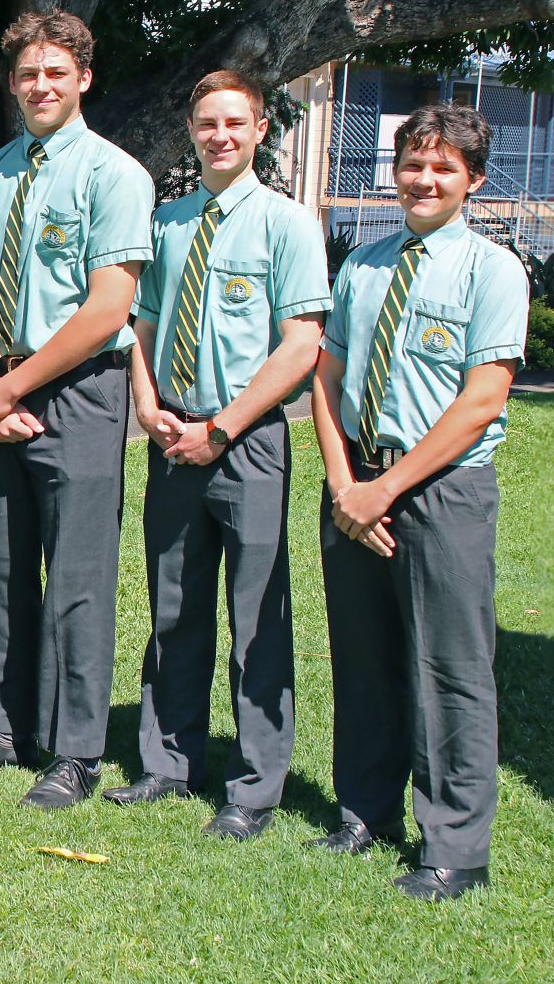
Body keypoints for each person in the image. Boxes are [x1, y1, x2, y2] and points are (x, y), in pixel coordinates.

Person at [309, 103, 528, 901]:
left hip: (440, 491)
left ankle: (454, 847)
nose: (424, 179)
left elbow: (482, 399)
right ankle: (364, 810)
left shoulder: (493, 271)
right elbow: (326, 379)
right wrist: (344, 486)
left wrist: (384, 491)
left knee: (449, 669)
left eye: (443, 168)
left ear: (471, 180)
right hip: (355, 486)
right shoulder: (363, 264)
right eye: (412, 163)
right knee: (363, 660)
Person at [110, 70, 329, 837]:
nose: (221, 136)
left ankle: (254, 786)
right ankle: (168, 760)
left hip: (247, 442)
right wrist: (147, 405)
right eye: (208, 123)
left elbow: (301, 344)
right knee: (173, 606)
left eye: (235, 123)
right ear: (194, 130)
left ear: (262, 129)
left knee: (256, 612)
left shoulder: (288, 225)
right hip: (173, 435)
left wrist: (223, 427)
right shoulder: (167, 223)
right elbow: (138, 323)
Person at [0, 9, 153, 810]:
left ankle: (75, 749)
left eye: (55, 73)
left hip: (78, 393)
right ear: (12, 83)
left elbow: (109, 307)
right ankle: (0, 725)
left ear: (84, 79)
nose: (40, 86)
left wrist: (18, 382)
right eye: (28, 73)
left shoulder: (116, 176)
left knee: (77, 576)